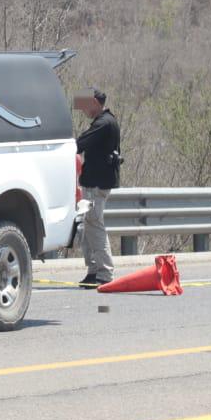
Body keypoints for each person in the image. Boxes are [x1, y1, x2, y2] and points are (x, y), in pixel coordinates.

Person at [76, 89, 121, 287]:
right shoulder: (105, 121)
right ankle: (94, 271)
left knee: (94, 224)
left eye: (85, 105)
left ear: (94, 102)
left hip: (97, 184)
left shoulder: (103, 123)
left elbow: (80, 144)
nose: (83, 109)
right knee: (89, 226)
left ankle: (105, 272)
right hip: (93, 182)